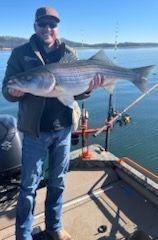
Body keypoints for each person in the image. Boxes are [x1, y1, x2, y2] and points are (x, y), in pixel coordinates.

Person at [2, 6, 104, 240]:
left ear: (57, 27)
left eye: (52, 24)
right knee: (28, 187)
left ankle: (54, 226)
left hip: (64, 129)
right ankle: (23, 235)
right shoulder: (21, 53)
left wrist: (89, 88)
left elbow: (76, 93)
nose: (47, 28)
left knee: (58, 182)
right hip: (34, 132)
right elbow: (7, 88)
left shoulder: (69, 52)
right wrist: (12, 92)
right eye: (42, 24)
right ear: (35, 26)